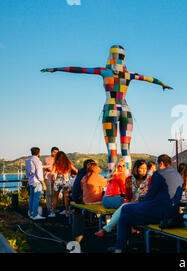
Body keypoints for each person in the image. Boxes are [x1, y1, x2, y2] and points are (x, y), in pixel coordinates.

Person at [41, 45, 173, 174]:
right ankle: (127, 175)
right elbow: (149, 79)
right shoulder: (129, 74)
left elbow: (80, 69)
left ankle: (112, 175)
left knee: (112, 149)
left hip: (111, 108)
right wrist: (162, 84)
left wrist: (56, 69)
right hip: (126, 110)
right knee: (126, 149)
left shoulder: (104, 71)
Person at [112, 154, 183, 253]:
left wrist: (141, 204)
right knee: (126, 216)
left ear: (161, 163)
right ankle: (120, 246)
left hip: (158, 213)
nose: (157, 166)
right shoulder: (178, 175)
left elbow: (149, 196)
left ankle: (119, 247)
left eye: (158, 164)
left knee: (125, 210)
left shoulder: (159, 174)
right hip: (173, 213)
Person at [95, 159, 152, 238]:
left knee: (123, 209)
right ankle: (122, 236)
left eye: (145, 169)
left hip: (140, 203)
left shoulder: (150, 179)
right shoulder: (129, 178)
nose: (144, 170)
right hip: (125, 201)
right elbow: (128, 196)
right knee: (124, 209)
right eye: (141, 168)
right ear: (136, 168)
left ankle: (107, 230)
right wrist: (128, 189)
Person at [49, 151, 78, 217]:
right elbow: (76, 170)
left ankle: (53, 213)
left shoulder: (56, 163)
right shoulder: (68, 163)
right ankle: (67, 212)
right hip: (66, 180)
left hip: (58, 179)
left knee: (55, 197)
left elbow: (52, 172)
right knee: (66, 197)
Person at [25, 147, 47, 220]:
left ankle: (31, 213)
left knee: (31, 198)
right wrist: (43, 184)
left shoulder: (28, 160)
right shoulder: (37, 161)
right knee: (36, 199)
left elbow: (27, 173)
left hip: (31, 181)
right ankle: (35, 214)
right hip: (37, 181)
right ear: (38, 153)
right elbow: (39, 173)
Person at [43, 147, 59, 216]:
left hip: (55, 178)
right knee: (49, 194)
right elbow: (49, 168)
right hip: (48, 177)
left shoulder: (58, 160)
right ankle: (49, 208)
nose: (56, 154)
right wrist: (55, 167)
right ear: (51, 152)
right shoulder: (47, 159)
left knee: (54, 194)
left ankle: (53, 208)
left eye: (57, 152)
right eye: (55, 152)